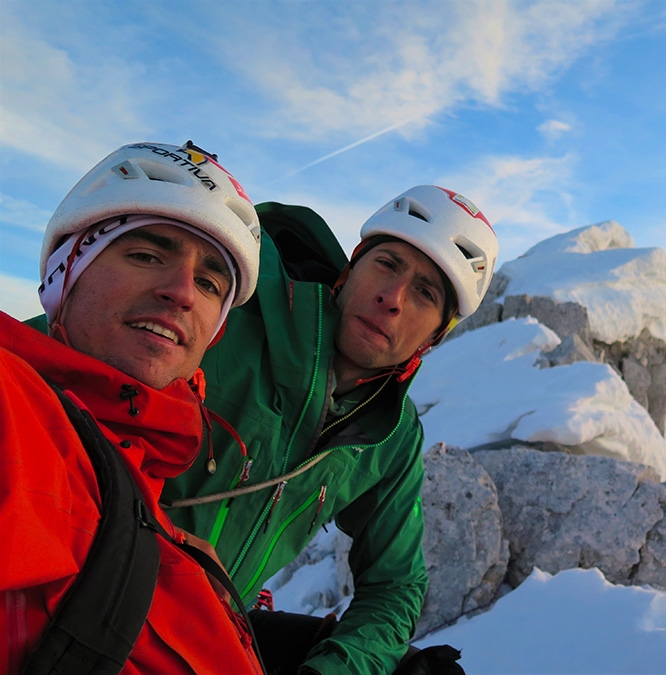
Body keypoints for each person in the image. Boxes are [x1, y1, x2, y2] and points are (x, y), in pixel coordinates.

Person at [162, 185, 499, 674]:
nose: (392, 297)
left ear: (434, 336)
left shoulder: (392, 436)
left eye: (425, 293)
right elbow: (42, 363)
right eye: (386, 264)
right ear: (351, 267)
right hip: (113, 587)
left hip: (206, 626)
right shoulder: (229, 319)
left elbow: (395, 586)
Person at [1, 141, 265, 674]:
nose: (182, 293)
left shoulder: (143, 481)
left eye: (210, 282)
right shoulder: (18, 411)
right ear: (65, 275)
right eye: (146, 254)